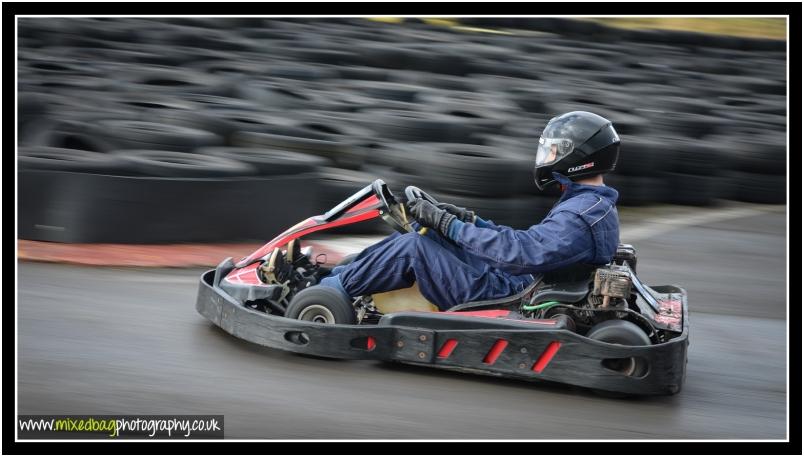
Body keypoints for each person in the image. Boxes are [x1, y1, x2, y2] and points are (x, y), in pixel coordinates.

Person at [315, 111, 621, 311]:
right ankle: (335, 279)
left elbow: (522, 254)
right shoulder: (590, 203)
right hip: (525, 283)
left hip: (511, 297)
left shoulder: (579, 214)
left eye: (554, 151)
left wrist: (451, 226)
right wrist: (467, 220)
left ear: (578, 156)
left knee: (414, 247)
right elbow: (528, 242)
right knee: (429, 233)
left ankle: (323, 297)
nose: (547, 157)